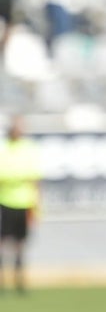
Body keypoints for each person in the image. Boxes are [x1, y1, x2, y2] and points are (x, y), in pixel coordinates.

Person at [0, 116, 41, 294]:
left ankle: (20, 282)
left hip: (24, 203)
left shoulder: (29, 149)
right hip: (4, 202)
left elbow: (34, 178)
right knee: (2, 243)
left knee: (20, 244)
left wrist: (37, 206)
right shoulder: (3, 148)